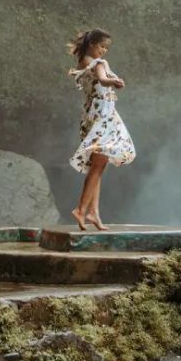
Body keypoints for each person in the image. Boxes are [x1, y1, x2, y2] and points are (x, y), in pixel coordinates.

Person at [68, 28, 135, 231]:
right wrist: (114, 81)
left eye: (106, 48)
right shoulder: (98, 63)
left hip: (92, 116)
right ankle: (81, 210)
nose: (104, 51)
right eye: (102, 46)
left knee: (98, 165)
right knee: (98, 165)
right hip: (103, 118)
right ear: (92, 44)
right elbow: (103, 79)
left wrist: (110, 81)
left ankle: (93, 212)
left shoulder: (83, 62)